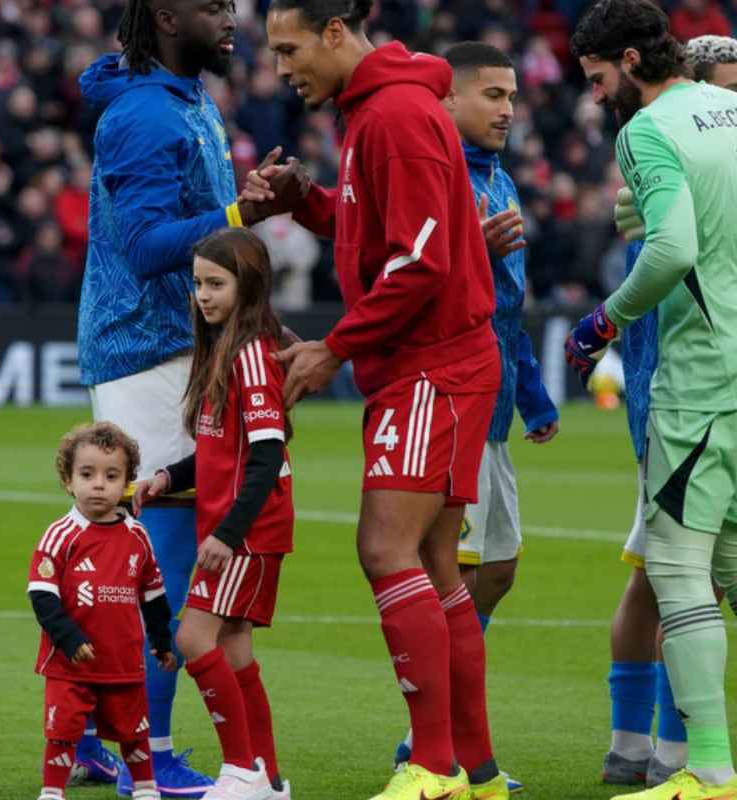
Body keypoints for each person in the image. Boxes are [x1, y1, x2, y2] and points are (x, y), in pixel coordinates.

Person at [262, 2, 503, 799]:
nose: (281, 67)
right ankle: (478, 770)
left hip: (432, 364)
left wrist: (337, 346)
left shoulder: (393, 113)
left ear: (337, 33)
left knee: (385, 550)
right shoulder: (380, 109)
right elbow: (383, 232)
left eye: (289, 47)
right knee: (434, 561)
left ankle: (432, 767)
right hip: (439, 361)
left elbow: (421, 260)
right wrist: (308, 200)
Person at [77, 1, 307, 795]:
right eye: (214, 6)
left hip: (178, 345)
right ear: (167, 15)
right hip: (148, 348)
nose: (233, 17)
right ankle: (152, 750)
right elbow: (144, 248)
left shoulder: (185, 99)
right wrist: (244, 212)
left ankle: (88, 736)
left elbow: (188, 225)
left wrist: (239, 201)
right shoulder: (145, 113)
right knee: (168, 566)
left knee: (147, 556)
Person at [566, 2, 737, 799]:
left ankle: (705, 769)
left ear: (630, 60)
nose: (598, 94)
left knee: (675, 565)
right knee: (732, 566)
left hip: (702, 379)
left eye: (599, 77)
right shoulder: (733, 108)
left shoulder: (648, 131)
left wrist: (603, 321)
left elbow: (671, 249)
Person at [387, 41, 561, 794]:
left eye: (514, 97)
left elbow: (507, 305)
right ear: (447, 99)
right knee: (448, 574)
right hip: (448, 400)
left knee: (497, 572)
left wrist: (532, 394)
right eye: (492, 95)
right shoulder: (439, 175)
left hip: (491, 401)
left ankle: (445, 727)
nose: (508, 110)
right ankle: (432, 741)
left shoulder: (497, 180)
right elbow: (405, 280)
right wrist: (470, 249)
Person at [133, 227, 296, 800]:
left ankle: (239, 771)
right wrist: (166, 478)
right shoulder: (228, 346)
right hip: (246, 527)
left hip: (248, 530)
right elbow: (217, 450)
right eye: (198, 282)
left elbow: (268, 453)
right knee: (234, 651)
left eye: (216, 284)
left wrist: (229, 534)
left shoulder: (252, 353)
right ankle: (268, 777)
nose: (203, 294)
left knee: (194, 638)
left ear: (248, 285)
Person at [26, 422, 177, 800]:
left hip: (123, 659)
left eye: (111, 476)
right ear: (68, 481)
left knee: (134, 729)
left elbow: (154, 593)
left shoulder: (137, 535)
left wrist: (161, 640)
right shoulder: (60, 535)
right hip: (70, 662)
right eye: (87, 474)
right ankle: (52, 793)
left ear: (126, 482)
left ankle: (145, 790)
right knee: (62, 730)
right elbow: (42, 596)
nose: (98, 484)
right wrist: (69, 639)